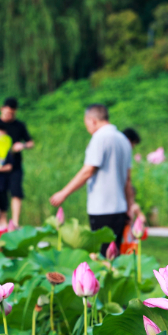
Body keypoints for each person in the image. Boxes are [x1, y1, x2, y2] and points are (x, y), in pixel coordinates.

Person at [49, 104, 135, 256]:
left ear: (93, 120)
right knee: (114, 256)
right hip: (120, 208)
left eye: (87, 124)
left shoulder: (99, 138)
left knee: (102, 257)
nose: (87, 128)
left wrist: (64, 192)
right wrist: (130, 207)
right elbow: (128, 180)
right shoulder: (123, 140)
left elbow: (88, 171)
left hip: (102, 207)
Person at [0, 98, 33, 227]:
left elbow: (30, 142)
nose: (9, 115)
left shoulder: (19, 125)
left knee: (16, 192)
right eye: (7, 113)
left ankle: (15, 222)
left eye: (12, 113)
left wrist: (22, 145)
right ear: (2, 109)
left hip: (14, 165)